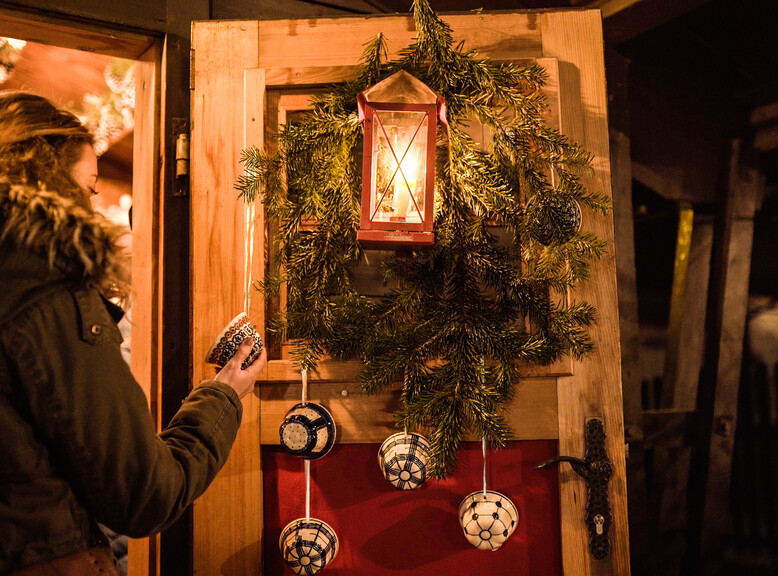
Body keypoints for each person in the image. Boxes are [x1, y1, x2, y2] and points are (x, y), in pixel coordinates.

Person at [0, 91, 267, 575]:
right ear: (44, 181)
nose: (91, 204)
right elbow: (143, 494)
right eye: (86, 187)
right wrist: (224, 395)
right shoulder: (45, 291)